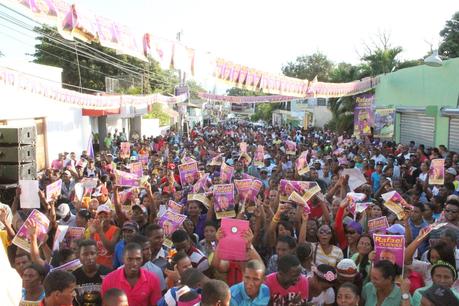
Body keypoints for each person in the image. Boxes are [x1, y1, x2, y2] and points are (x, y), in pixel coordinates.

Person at [72, 240, 112, 306]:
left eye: (92, 253)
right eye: (85, 254)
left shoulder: (108, 273)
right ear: (79, 256)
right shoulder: (73, 276)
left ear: (97, 254)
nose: (89, 257)